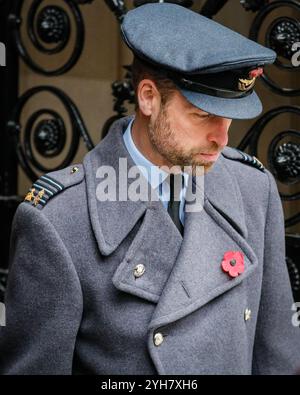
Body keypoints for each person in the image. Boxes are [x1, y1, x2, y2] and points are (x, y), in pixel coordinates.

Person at [0, 3, 299, 375]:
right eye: (203, 115)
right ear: (148, 98)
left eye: (229, 118)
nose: (222, 138)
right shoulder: (58, 221)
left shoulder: (255, 189)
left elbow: (278, 358)